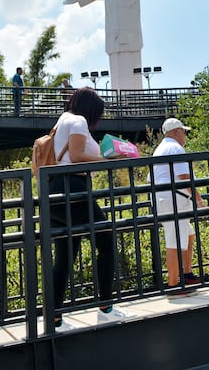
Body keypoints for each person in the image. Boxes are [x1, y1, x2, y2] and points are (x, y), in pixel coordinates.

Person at [48, 87, 133, 331]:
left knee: (65, 255)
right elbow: (75, 156)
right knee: (106, 240)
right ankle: (105, 307)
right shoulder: (78, 121)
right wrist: (109, 161)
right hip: (74, 191)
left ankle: (55, 318)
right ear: (91, 109)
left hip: (54, 192)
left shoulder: (61, 121)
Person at [64, 0, 179, 90]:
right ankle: (118, 100)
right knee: (115, 67)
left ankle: (133, 102)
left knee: (131, 67)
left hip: (129, 31)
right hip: (113, 34)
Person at [149, 118, 204, 298]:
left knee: (187, 234)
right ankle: (173, 286)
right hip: (175, 199)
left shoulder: (161, 148)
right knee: (174, 241)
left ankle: (186, 274)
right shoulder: (175, 148)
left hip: (165, 198)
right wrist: (198, 200)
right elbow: (184, 177)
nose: (185, 135)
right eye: (183, 131)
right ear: (176, 132)